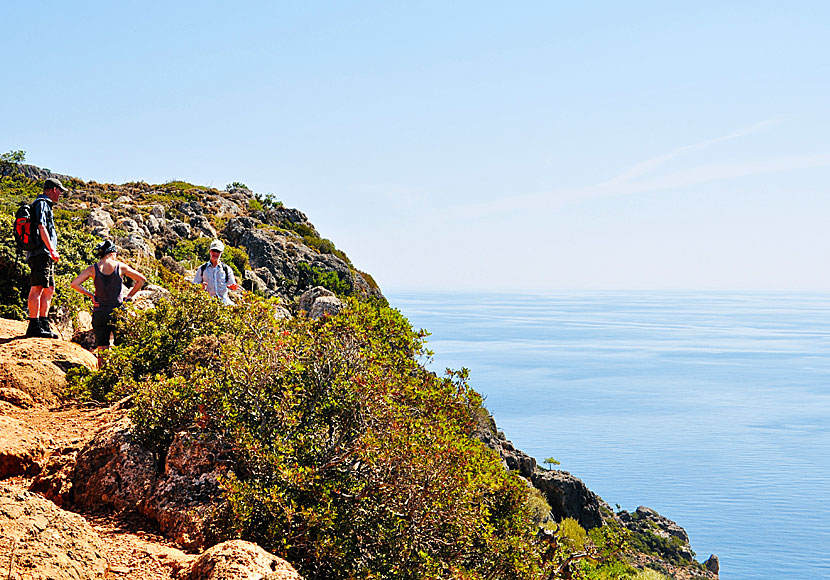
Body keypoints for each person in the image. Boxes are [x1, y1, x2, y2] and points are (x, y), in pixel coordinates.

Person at [70, 240, 145, 366]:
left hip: (100, 313)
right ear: (111, 253)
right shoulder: (120, 266)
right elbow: (141, 280)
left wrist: (91, 295)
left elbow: (74, 284)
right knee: (122, 347)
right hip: (118, 311)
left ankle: (102, 377)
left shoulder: (93, 269)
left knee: (102, 349)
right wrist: (129, 297)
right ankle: (120, 375)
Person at [25, 177, 67, 338]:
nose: (61, 194)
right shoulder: (42, 203)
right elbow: (42, 226)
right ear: (54, 189)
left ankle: (43, 322)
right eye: (60, 190)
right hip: (40, 252)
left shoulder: (45, 204)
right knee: (37, 287)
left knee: (49, 288)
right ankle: (34, 325)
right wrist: (51, 249)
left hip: (45, 253)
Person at [192, 239, 240, 305]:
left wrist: (233, 287)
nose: (215, 253)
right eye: (213, 250)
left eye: (218, 251)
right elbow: (194, 287)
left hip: (224, 302)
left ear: (221, 253)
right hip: (207, 303)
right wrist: (200, 287)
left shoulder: (227, 269)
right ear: (210, 251)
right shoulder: (202, 269)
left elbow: (232, 285)